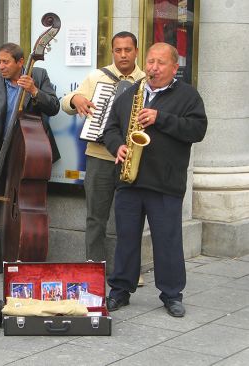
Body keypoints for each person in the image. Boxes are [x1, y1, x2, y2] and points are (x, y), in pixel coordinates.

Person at [103, 42, 207, 317]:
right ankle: (120, 290)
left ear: (175, 67)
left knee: (168, 241)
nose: (153, 68)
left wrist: (160, 118)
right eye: (150, 62)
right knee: (126, 239)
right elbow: (110, 127)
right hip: (130, 181)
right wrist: (118, 147)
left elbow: (197, 129)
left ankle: (172, 294)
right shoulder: (131, 93)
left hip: (165, 183)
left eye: (161, 63)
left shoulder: (188, 96)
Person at [0, 42, 60, 275]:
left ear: (20, 62)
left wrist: (35, 91)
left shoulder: (38, 75)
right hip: (1, 153)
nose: (1, 66)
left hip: (29, 155)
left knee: (26, 205)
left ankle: (23, 252)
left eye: (6, 62)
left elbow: (54, 107)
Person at [62, 32, 146, 286]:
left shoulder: (145, 80)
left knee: (130, 220)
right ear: (112, 51)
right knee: (95, 217)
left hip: (132, 158)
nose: (123, 55)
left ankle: (130, 271)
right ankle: (93, 267)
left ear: (136, 51)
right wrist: (75, 99)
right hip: (98, 156)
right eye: (118, 50)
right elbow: (66, 102)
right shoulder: (97, 77)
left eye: (127, 50)